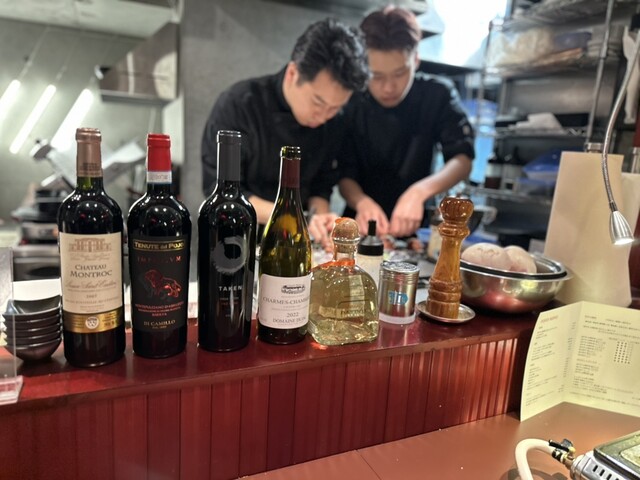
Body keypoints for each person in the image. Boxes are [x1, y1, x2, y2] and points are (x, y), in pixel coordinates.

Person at [201, 18, 369, 249]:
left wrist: (321, 219)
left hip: (296, 243)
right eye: (318, 102)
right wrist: (297, 219)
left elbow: (321, 184)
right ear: (292, 73)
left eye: (335, 108)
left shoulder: (335, 121)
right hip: (237, 240)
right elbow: (221, 190)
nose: (324, 116)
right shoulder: (239, 104)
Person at [339, 6, 475, 238]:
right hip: (359, 225)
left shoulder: (437, 94)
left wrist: (419, 192)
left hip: (418, 225)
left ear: (416, 60)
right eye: (376, 76)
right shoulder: (351, 100)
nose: (388, 87)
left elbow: (462, 159)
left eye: (400, 73)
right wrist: (361, 201)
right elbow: (343, 172)